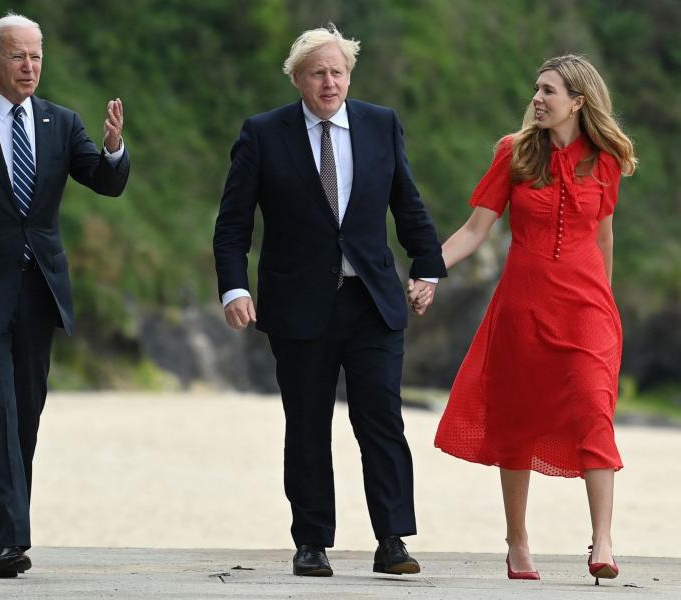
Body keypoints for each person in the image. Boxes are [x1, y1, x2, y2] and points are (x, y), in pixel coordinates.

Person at [213, 25, 446, 577]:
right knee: (308, 423)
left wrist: (429, 268)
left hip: (372, 301)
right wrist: (234, 287)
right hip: (298, 305)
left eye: (337, 71)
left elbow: (407, 205)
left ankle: (392, 540)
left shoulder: (380, 124)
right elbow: (232, 224)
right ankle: (311, 542)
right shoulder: (263, 134)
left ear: (349, 76)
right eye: (317, 72)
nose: (329, 81)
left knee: (382, 419)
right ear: (297, 78)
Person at [0, 13, 129, 578]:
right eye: (16, 56)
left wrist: (112, 149)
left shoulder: (61, 122)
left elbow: (104, 182)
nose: (29, 66)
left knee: (27, 410)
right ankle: (13, 539)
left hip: (40, 289)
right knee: (0, 406)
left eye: (35, 56)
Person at [428, 55, 636, 584]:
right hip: (522, 309)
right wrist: (428, 271)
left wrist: (604, 307)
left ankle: (604, 540)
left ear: (578, 101)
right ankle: (518, 543)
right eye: (536, 90)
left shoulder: (605, 161)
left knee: (594, 411)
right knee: (517, 422)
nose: (538, 99)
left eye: (549, 91)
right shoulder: (514, 153)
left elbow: (604, 239)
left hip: (588, 311)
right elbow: (474, 231)